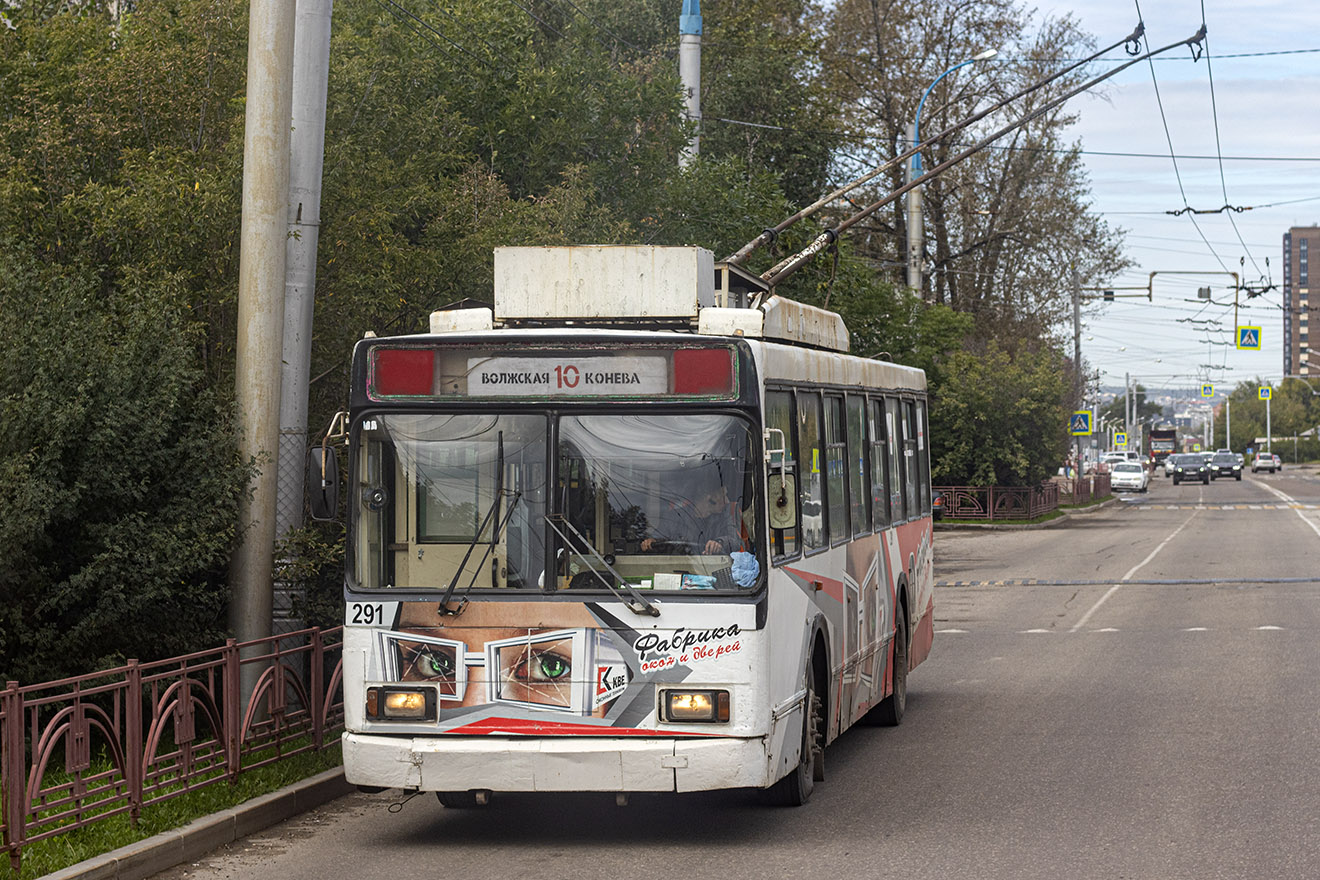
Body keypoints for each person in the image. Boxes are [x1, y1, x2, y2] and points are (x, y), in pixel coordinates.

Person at [641, 483, 747, 554]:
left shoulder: (725, 516)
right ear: (709, 498)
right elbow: (658, 537)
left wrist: (719, 542)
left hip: (712, 571)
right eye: (723, 495)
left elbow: (736, 542)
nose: (727, 500)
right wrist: (651, 541)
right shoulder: (675, 516)